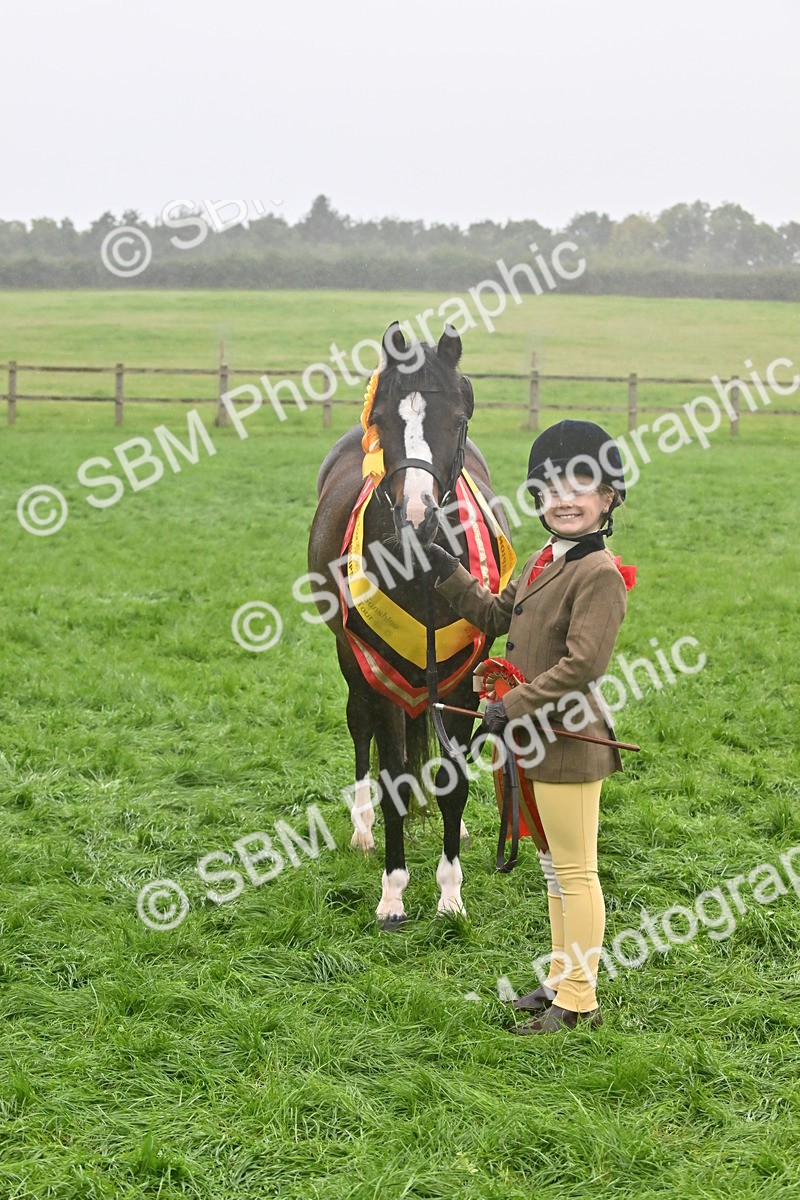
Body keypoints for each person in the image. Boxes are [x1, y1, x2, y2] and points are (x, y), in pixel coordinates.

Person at [425, 419, 634, 1034]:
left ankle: (579, 1001)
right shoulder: (544, 560)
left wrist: (507, 708)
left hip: (569, 738)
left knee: (576, 870)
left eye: (582, 485)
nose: (564, 499)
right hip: (529, 740)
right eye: (550, 488)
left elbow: (581, 665)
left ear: (609, 498)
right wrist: (446, 570)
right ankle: (562, 978)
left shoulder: (598, 574)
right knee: (552, 870)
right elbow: (496, 614)